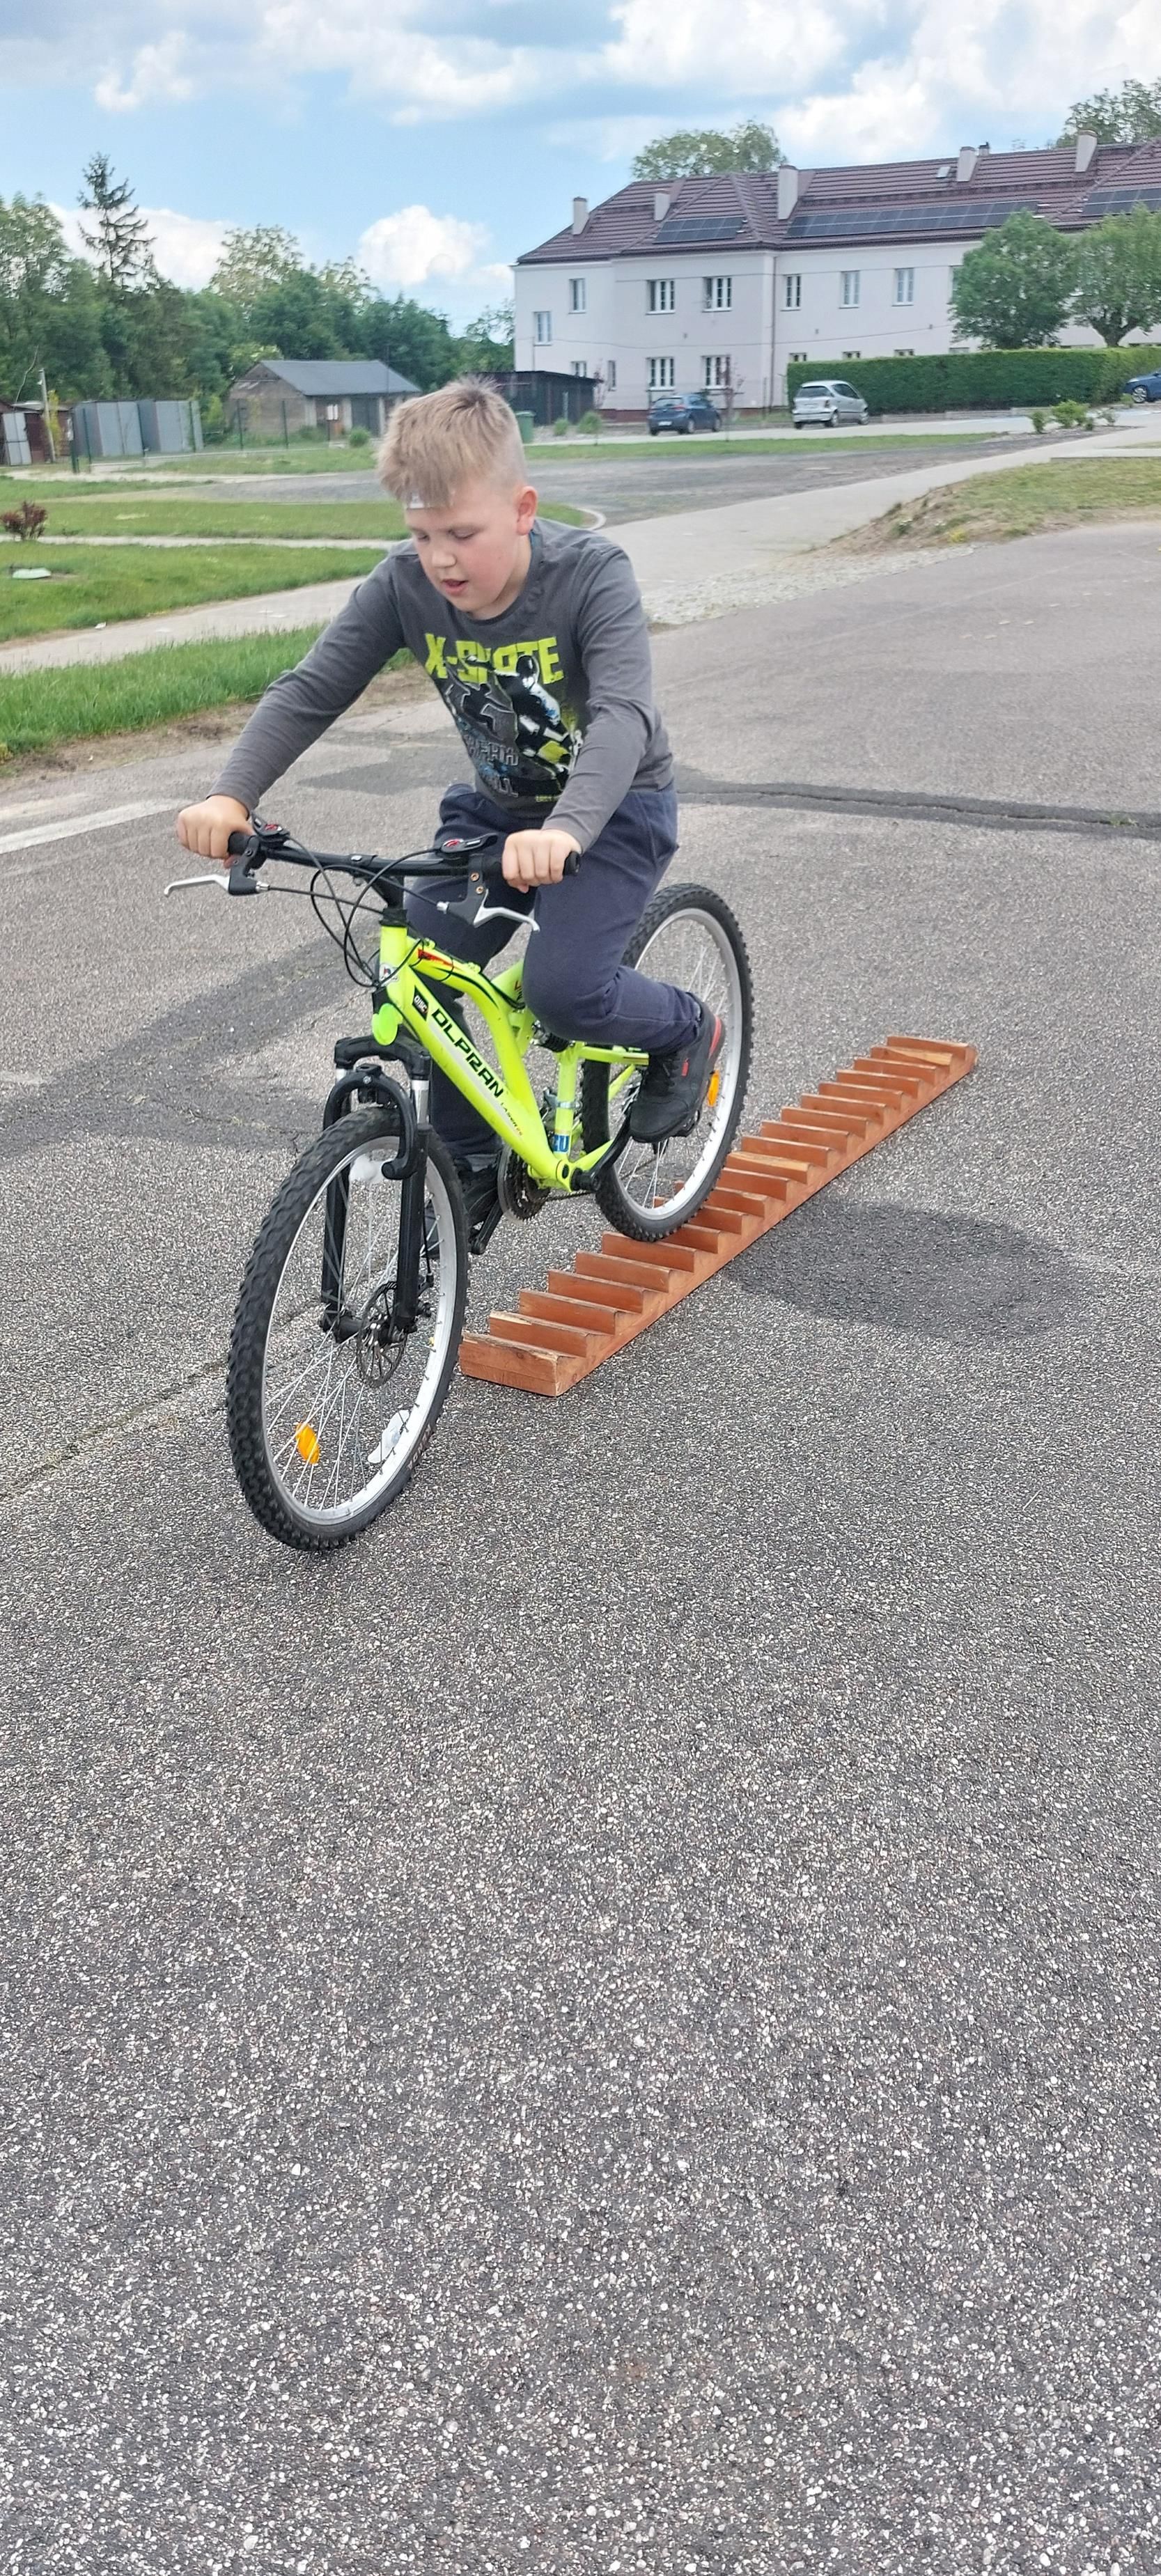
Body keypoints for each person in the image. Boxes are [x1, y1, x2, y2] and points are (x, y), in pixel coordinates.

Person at [176, 376, 721, 1234]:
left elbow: (622, 716)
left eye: (462, 534)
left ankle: (684, 1030)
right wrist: (231, 794)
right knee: (412, 975)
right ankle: (469, 1157)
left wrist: (566, 828)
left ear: (522, 510)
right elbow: (311, 689)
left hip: (611, 814)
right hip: (495, 817)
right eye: (421, 534)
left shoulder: (590, 577)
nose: (441, 559)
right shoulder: (405, 586)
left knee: (564, 991)